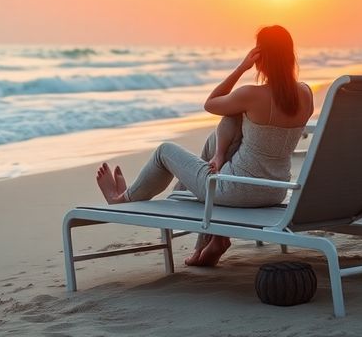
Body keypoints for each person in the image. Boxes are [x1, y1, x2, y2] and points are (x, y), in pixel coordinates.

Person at [94, 25, 313, 267]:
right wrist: (219, 154)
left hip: (235, 190)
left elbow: (210, 103)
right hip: (274, 189)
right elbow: (233, 117)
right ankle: (207, 244)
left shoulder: (251, 95)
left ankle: (124, 200)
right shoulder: (305, 94)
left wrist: (242, 67)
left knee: (164, 151)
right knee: (227, 126)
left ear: (260, 56)